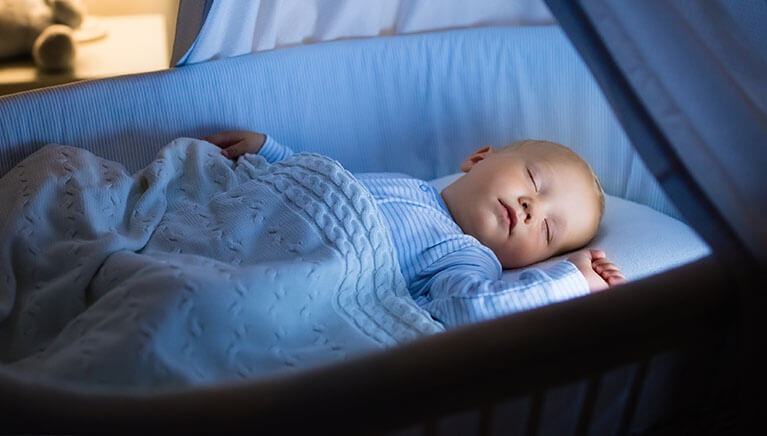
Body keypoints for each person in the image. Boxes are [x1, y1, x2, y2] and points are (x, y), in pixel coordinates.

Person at [202, 130, 626, 329]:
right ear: (478, 158)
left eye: (549, 230)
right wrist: (272, 154)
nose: (532, 208)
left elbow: (474, 307)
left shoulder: (467, 259)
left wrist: (570, 280)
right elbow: (335, 182)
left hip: (288, 278)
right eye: (533, 181)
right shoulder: (410, 184)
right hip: (262, 219)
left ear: (534, 260)